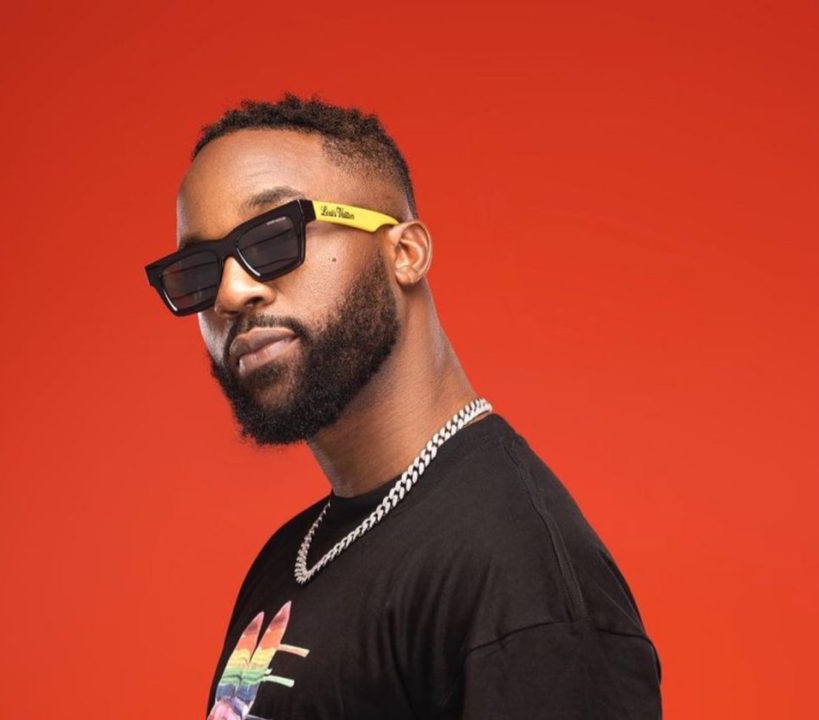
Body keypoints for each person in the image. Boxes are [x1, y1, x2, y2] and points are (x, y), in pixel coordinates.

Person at [144, 93, 662, 719]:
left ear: (405, 253)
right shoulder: (291, 557)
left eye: (275, 237)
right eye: (199, 271)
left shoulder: (520, 574)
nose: (231, 293)